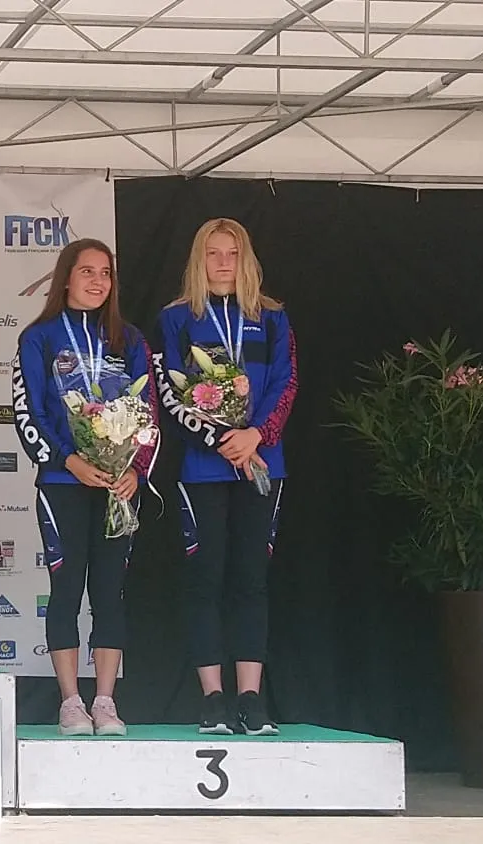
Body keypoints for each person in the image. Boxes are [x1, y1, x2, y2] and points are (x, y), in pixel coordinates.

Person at [154, 218, 296, 736]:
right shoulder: (176, 318)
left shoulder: (272, 316)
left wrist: (256, 435)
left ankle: (251, 698)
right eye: (213, 253)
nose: (222, 263)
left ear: (246, 259)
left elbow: (286, 381)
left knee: (251, 581)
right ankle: (213, 698)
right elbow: (168, 391)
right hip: (203, 466)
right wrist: (220, 439)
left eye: (232, 253)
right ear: (199, 259)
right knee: (205, 578)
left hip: (262, 462)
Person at [12, 238, 156, 736]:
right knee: (67, 587)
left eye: (105, 273)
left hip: (118, 484)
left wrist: (136, 469)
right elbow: (28, 412)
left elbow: (149, 413)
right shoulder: (39, 337)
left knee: (110, 590)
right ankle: (71, 702)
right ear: (66, 278)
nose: (98, 281)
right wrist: (68, 460)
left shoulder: (129, 339)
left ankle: (106, 701)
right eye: (87, 271)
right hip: (62, 480)